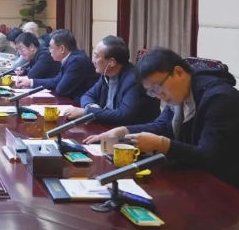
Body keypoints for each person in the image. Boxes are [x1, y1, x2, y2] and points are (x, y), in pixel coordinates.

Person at [84, 48, 239, 189]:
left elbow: (209, 157)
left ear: (179, 73)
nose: (158, 96)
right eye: (152, 92)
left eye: (158, 88)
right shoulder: (181, 92)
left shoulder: (220, 99)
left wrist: (164, 145)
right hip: (192, 178)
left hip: (223, 188)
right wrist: (122, 131)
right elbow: (162, 125)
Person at [63, 36, 160, 125]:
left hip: (133, 133)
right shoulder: (106, 75)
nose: (93, 60)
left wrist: (87, 112)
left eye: (96, 56)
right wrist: (92, 108)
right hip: (109, 127)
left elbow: (123, 116)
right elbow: (88, 95)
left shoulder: (134, 80)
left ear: (111, 62)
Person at [14, 29, 97, 101]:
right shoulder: (70, 58)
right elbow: (56, 81)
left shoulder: (77, 61)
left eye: (51, 47)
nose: (49, 50)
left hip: (82, 106)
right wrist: (31, 82)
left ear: (62, 49)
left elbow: (61, 89)